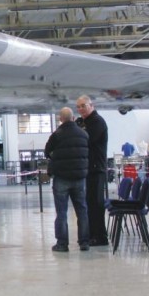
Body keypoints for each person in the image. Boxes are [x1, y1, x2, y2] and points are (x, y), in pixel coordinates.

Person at [44, 107, 90, 252]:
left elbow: (47, 151)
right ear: (73, 118)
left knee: (61, 212)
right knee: (82, 211)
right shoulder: (84, 134)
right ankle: (84, 242)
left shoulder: (57, 135)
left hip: (62, 178)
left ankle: (62, 244)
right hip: (79, 179)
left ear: (60, 119)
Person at [76, 95, 109, 247]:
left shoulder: (97, 122)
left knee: (96, 203)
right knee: (89, 203)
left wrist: (77, 131)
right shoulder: (83, 122)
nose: (81, 109)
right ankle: (90, 234)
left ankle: (100, 236)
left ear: (91, 105)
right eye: (78, 107)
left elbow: (86, 140)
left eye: (83, 106)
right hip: (88, 169)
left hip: (96, 169)